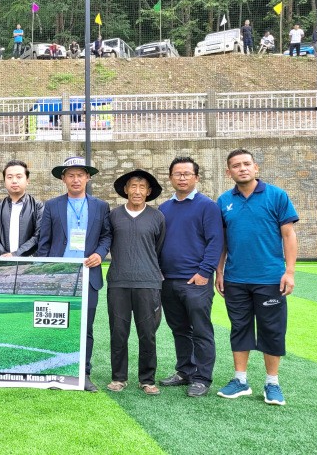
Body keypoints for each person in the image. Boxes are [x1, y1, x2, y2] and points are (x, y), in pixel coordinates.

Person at [215, 149, 298, 406]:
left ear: (256, 167)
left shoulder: (277, 195)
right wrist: (220, 271)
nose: (242, 168)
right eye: (236, 165)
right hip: (235, 279)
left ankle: (272, 383)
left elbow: (288, 235)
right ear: (228, 172)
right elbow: (222, 241)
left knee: (272, 330)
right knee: (239, 328)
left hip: (270, 278)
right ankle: (240, 380)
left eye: (246, 164)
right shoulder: (223, 201)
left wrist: (290, 272)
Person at [36, 156, 112, 392]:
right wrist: (46, 272)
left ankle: (83, 373)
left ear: (88, 177)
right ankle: (56, 371)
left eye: (80, 175)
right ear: (63, 179)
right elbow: (44, 242)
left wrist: (100, 253)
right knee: (57, 324)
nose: (76, 179)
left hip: (89, 275)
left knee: (85, 326)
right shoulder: (52, 206)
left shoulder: (101, 206)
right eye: (71, 175)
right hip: (60, 275)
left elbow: (106, 236)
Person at [157, 157, 224, 398]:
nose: (182, 178)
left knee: (201, 330)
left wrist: (204, 272)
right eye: (178, 174)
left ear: (196, 177)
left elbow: (216, 241)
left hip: (196, 281)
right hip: (168, 280)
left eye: (187, 174)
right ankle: (185, 371)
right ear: (170, 178)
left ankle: (202, 378)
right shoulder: (163, 209)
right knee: (179, 329)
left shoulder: (208, 206)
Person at [105, 170, 165, 396]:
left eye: (142, 187)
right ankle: (118, 377)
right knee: (118, 332)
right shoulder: (114, 216)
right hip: (118, 282)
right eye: (133, 186)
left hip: (148, 282)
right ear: (126, 189)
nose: (137, 191)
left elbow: (158, 248)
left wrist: (148, 269)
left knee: (147, 333)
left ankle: (147, 379)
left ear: (148, 191)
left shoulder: (157, 217)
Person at [0, 160, 43, 257]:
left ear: (27, 180)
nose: (14, 181)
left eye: (19, 177)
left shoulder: (38, 206)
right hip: (1, 261)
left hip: (29, 262)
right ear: (4, 181)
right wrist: (4, 255)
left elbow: (39, 235)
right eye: (9, 177)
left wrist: (16, 255)